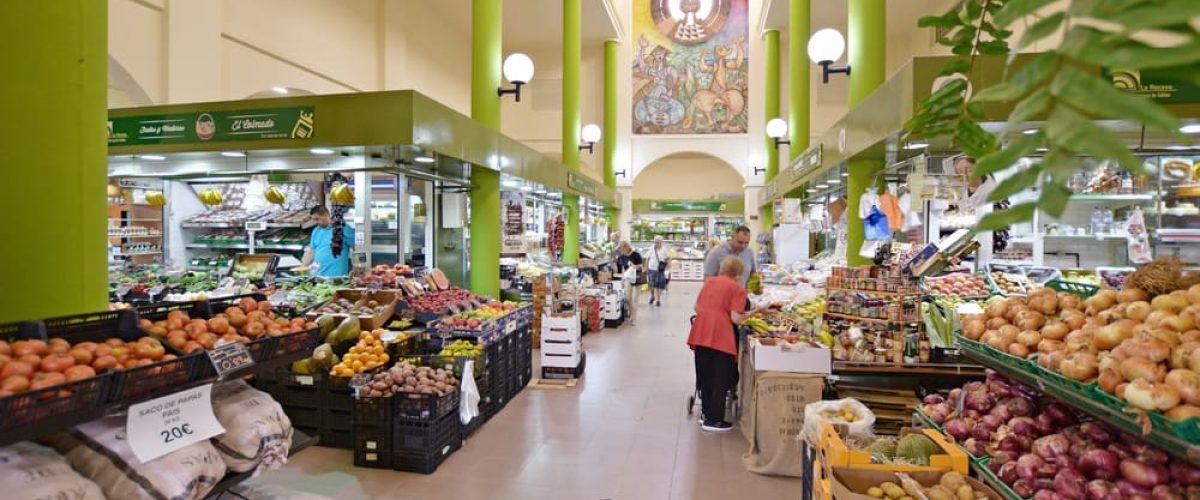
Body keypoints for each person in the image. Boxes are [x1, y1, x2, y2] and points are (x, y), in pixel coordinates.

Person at [687, 256, 776, 432]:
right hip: (720, 335)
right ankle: (714, 420)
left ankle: (705, 413)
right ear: (738, 273)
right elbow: (736, 318)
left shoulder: (710, 282)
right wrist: (757, 310)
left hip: (700, 330)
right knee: (722, 376)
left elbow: (696, 307)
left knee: (705, 373)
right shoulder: (737, 289)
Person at [298, 205, 355, 277]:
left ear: (326, 215)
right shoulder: (316, 230)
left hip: (337, 276)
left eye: (317, 219)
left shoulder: (344, 229)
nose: (316, 222)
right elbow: (311, 252)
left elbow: (356, 249)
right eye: (314, 220)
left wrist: (356, 268)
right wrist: (301, 268)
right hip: (318, 275)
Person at [615, 241, 644, 326]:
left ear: (626, 247)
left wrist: (634, 266)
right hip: (628, 278)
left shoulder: (636, 255)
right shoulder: (622, 257)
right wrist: (622, 278)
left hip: (637, 279)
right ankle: (631, 313)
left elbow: (641, 267)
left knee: (635, 299)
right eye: (619, 249)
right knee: (627, 298)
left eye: (621, 249)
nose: (620, 251)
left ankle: (634, 319)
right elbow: (622, 269)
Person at [646, 237, 670, 306]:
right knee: (651, 284)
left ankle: (658, 300)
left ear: (661, 242)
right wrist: (646, 268)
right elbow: (647, 258)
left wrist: (668, 267)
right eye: (655, 242)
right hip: (651, 269)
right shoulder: (651, 248)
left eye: (658, 242)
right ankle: (653, 296)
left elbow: (668, 258)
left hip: (660, 270)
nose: (656, 243)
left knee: (660, 285)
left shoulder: (664, 249)